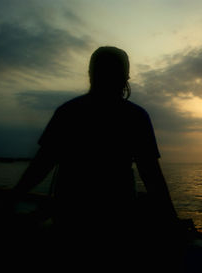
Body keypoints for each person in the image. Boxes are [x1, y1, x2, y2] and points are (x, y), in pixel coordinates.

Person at [11, 47, 181, 257]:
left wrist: (12, 200)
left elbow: (40, 166)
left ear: (90, 74)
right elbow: (152, 176)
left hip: (70, 222)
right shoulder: (135, 117)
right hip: (117, 223)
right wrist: (173, 221)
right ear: (126, 76)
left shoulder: (68, 112)